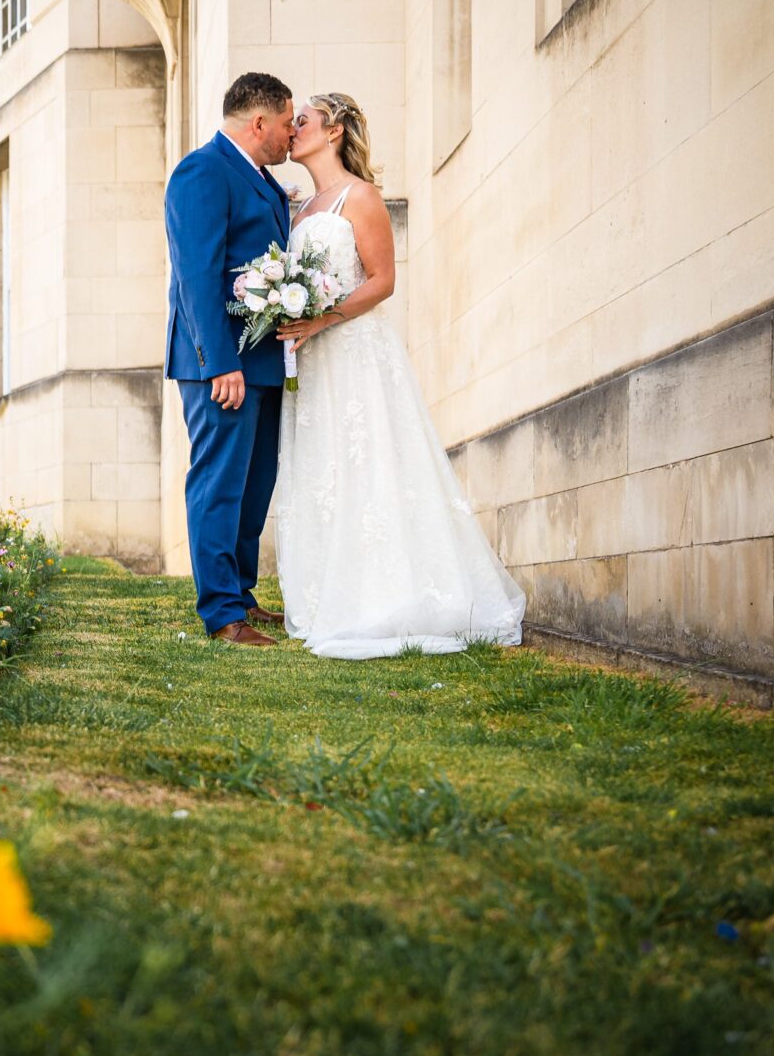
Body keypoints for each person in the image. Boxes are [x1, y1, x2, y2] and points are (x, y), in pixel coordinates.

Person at [274, 92, 525, 658]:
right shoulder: (299, 210)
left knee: (372, 462)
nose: (293, 130)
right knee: (325, 466)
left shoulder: (359, 198)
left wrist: (319, 320)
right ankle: (328, 596)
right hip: (312, 362)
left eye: (304, 122)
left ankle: (392, 595)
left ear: (333, 130)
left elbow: (383, 280)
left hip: (353, 352)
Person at [164, 73, 297, 647]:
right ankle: (222, 615)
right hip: (220, 364)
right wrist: (220, 361)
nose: (294, 134)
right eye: (288, 123)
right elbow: (196, 276)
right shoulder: (202, 172)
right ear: (258, 123)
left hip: (263, 360)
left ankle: (240, 592)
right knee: (219, 483)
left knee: (255, 483)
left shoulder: (265, 181)